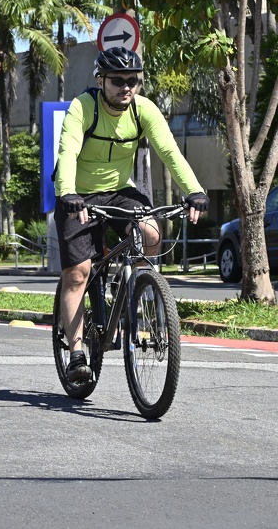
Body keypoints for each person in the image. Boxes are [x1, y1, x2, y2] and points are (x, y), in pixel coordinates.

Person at [54, 46, 209, 383]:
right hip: (77, 195)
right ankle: (77, 352)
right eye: (118, 80)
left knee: (151, 232)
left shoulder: (143, 110)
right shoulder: (84, 106)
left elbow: (169, 151)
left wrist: (194, 191)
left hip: (120, 191)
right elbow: (67, 151)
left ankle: (136, 284)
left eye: (133, 80)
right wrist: (67, 193)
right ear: (101, 80)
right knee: (78, 272)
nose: (127, 87)